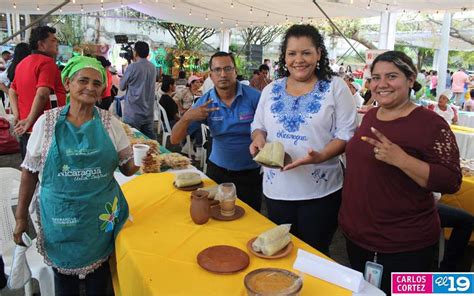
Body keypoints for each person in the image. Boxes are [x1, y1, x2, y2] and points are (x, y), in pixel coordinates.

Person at [13, 56, 140, 295]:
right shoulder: (46, 123)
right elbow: (29, 173)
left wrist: (143, 160)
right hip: (61, 216)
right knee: (64, 281)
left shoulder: (110, 123)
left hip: (98, 217)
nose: (90, 88)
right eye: (83, 81)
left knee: (98, 279)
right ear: (69, 83)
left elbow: (126, 168)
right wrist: (20, 218)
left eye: (96, 83)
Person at [338, 51, 462, 294]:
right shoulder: (372, 114)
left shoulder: (431, 124)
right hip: (357, 236)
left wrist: (402, 160)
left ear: (410, 78)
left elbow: (451, 180)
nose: (381, 84)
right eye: (375, 77)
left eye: (391, 76)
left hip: (405, 245)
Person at [250, 24, 357, 255]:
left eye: (306, 52)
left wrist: (322, 156)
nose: (299, 59)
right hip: (276, 188)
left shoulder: (335, 87)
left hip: (320, 192)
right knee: (280, 250)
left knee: (315, 253)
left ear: (319, 54)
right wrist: (258, 139)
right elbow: (258, 126)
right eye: (292, 53)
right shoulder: (271, 89)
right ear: (284, 57)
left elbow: (347, 133)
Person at [171, 51, 263, 212]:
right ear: (211, 75)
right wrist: (186, 117)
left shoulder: (255, 97)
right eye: (217, 70)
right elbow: (174, 139)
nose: (223, 74)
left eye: (228, 69)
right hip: (218, 173)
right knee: (217, 219)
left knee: (250, 221)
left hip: (250, 173)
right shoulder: (205, 102)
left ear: (235, 71)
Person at [8, 26, 66, 159]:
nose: (56, 43)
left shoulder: (22, 63)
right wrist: (29, 120)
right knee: (47, 174)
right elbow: (42, 93)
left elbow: (12, 90)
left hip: (25, 129)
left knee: (29, 171)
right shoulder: (47, 63)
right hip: (44, 130)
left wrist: (18, 115)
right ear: (41, 44)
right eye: (52, 40)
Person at [120, 41, 157, 139]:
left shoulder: (132, 67)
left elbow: (122, 86)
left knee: (132, 142)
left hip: (133, 113)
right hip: (148, 112)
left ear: (135, 52)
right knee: (150, 144)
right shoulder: (153, 67)